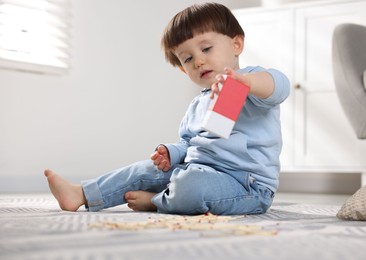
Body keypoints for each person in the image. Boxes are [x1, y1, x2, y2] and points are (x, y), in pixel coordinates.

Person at [44, 2, 290, 215]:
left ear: (236, 44)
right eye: (188, 58)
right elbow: (191, 144)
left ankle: (157, 201)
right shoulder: (199, 103)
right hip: (197, 169)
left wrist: (245, 84)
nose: (199, 60)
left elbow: (279, 87)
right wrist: (171, 153)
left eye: (206, 49)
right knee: (144, 170)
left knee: (191, 186)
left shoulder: (251, 81)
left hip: (246, 184)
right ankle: (82, 194)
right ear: (183, 69)